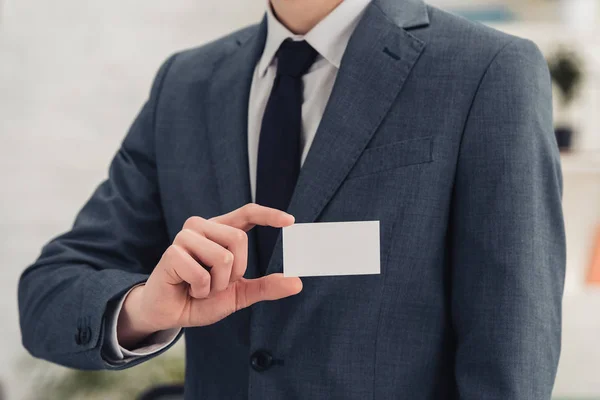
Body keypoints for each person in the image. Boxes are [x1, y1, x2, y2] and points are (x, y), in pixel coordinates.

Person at [18, 0, 566, 398]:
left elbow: (510, 350)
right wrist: (143, 309)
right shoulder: (186, 84)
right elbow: (48, 294)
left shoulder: (486, 70)